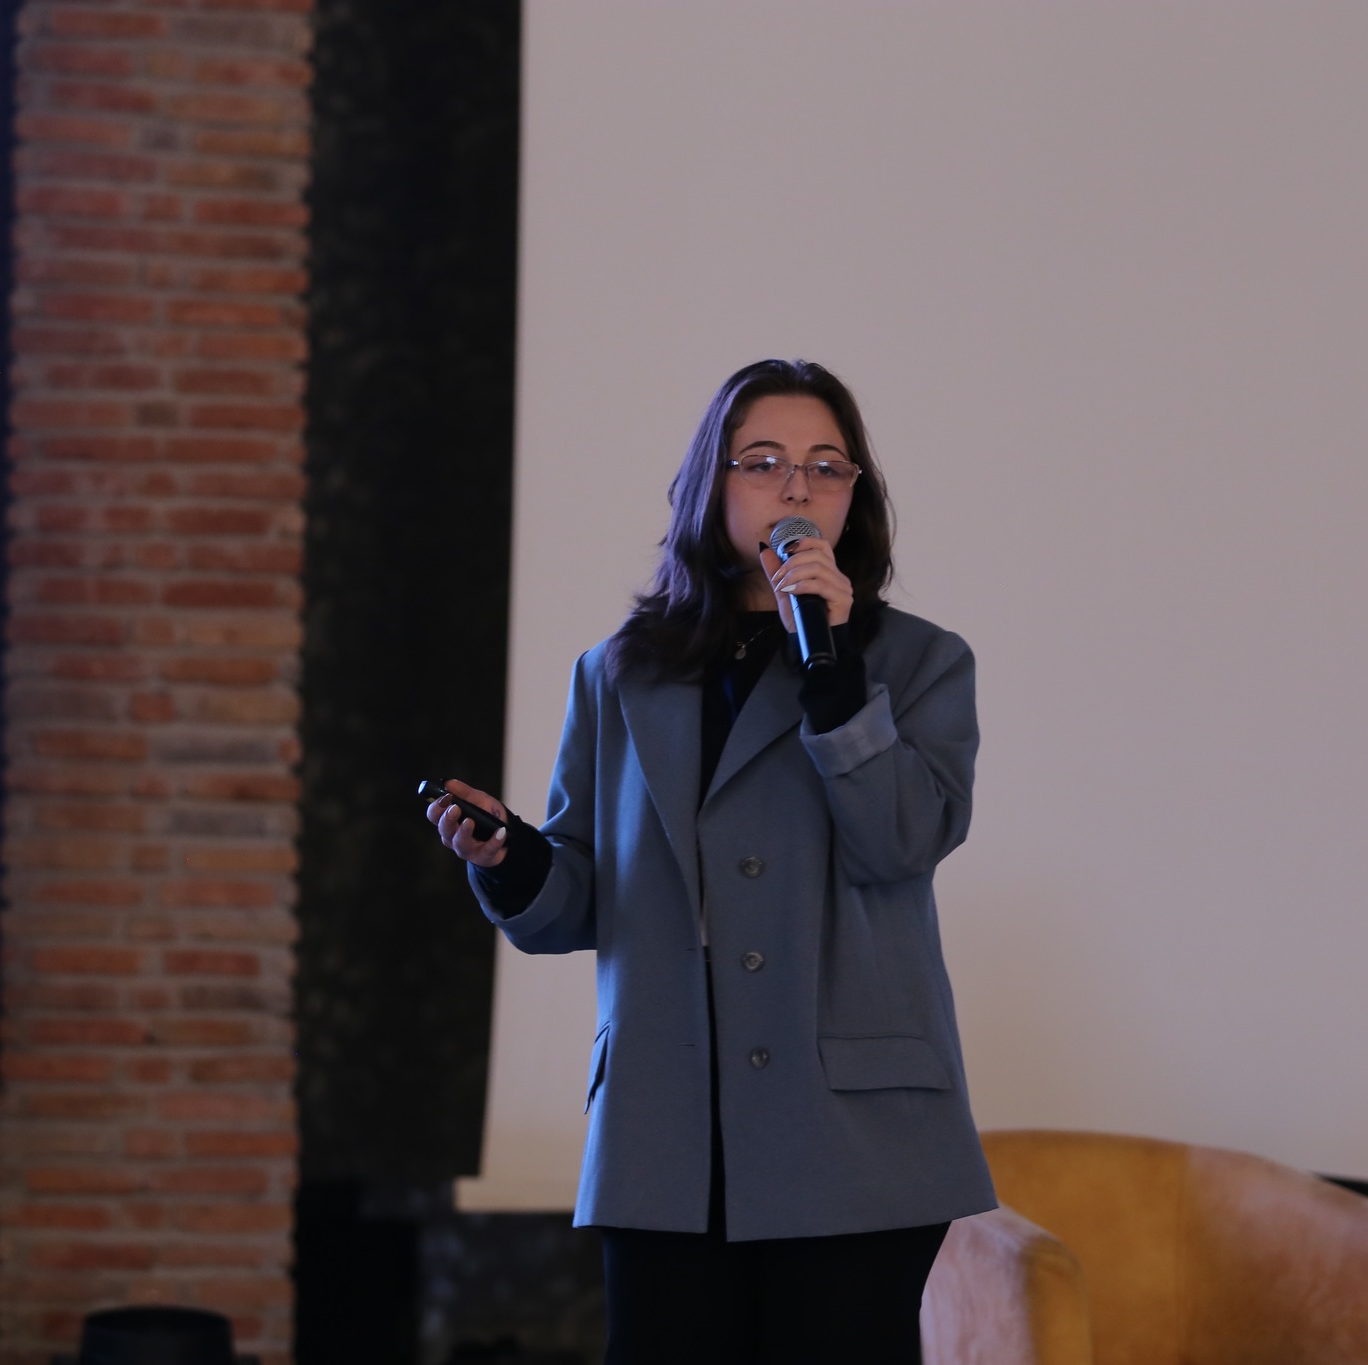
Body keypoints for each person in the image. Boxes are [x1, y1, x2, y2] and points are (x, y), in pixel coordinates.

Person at [425, 359, 995, 1363]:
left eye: (826, 466)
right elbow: (579, 896)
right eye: (763, 461)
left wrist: (833, 676)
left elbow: (904, 840)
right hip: (667, 1132)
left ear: (853, 495)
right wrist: (511, 857)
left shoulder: (916, 662)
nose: (796, 486)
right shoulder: (618, 671)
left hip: (852, 1136)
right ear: (711, 484)